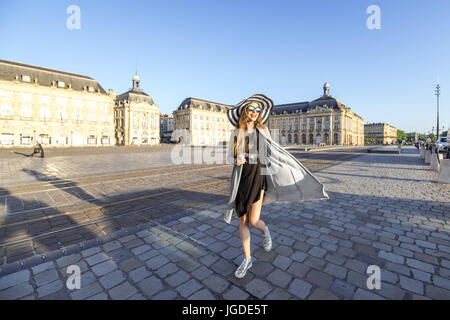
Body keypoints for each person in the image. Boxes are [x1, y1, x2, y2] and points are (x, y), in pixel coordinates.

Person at [224, 94, 328, 279]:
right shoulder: (236, 132)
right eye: (252, 109)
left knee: (254, 222)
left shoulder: (263, 129)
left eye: (258, 110)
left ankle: (266, 232)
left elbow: (272, 153)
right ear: (244, 111)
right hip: (242, 180)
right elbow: (230, 156)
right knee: (243, 220)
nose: (255, 112)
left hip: (259, 178)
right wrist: (236, 159)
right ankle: (247, 259)